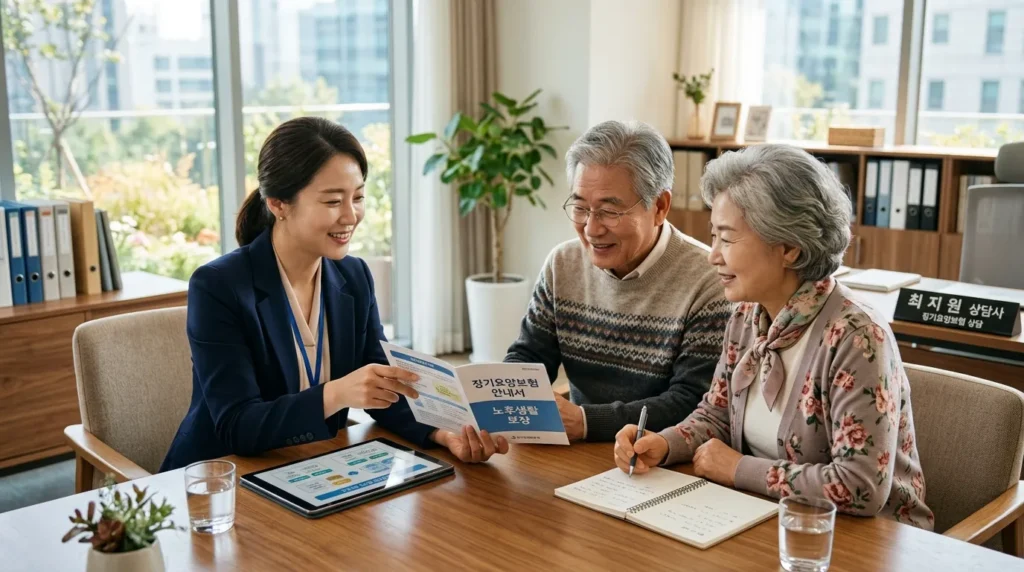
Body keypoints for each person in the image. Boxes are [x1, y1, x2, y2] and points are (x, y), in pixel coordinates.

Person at [613, 144, 934, 529]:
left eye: (727, 240)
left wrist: (739, 469)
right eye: (713, 237)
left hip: (872, 539)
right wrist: (663, 444)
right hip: (773, 520)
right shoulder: (747, 314)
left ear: (789, 248)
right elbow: (716, 414)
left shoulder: (858, 338)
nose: (713, 256)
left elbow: (861, 486)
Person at [161, 117, 507, 471]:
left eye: (357, 197)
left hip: (315, 467)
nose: (350, 216)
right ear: (278, 203)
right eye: (332, 201)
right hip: (219, 480)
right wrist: (337, 394)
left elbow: (381, 384)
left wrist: (442, 434)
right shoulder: (219, 286)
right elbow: (237, 426)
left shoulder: (353, 276)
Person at [504, 120, 732, 442]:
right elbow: (529, 358)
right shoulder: (563, 264)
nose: (591, 228)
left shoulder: (708, 281)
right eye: (581, 208)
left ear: (660, 207)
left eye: (610, 212)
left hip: (659, 457)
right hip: (577, 449)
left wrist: (587, 421)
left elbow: (691, 403)